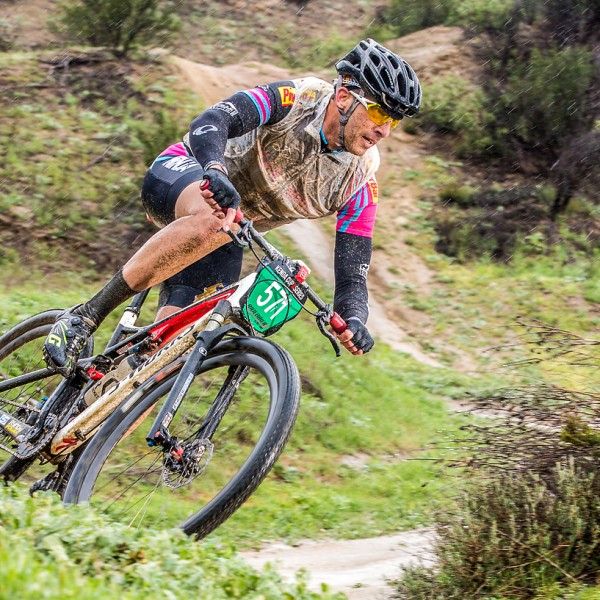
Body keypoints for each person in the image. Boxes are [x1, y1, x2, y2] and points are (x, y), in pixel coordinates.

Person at [43, 38, 422, 377]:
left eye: (394, 120)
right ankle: (85, 317)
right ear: (344, 97)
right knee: (216, 220)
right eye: (379, 113)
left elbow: (353, 272)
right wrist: (214, 168)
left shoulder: (360, 180)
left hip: (229, 233)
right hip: (186, 175)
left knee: (165, 360)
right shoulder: (298, 99)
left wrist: (353, 318)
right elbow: (213, 120)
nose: (384, 131)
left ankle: (88, 417)